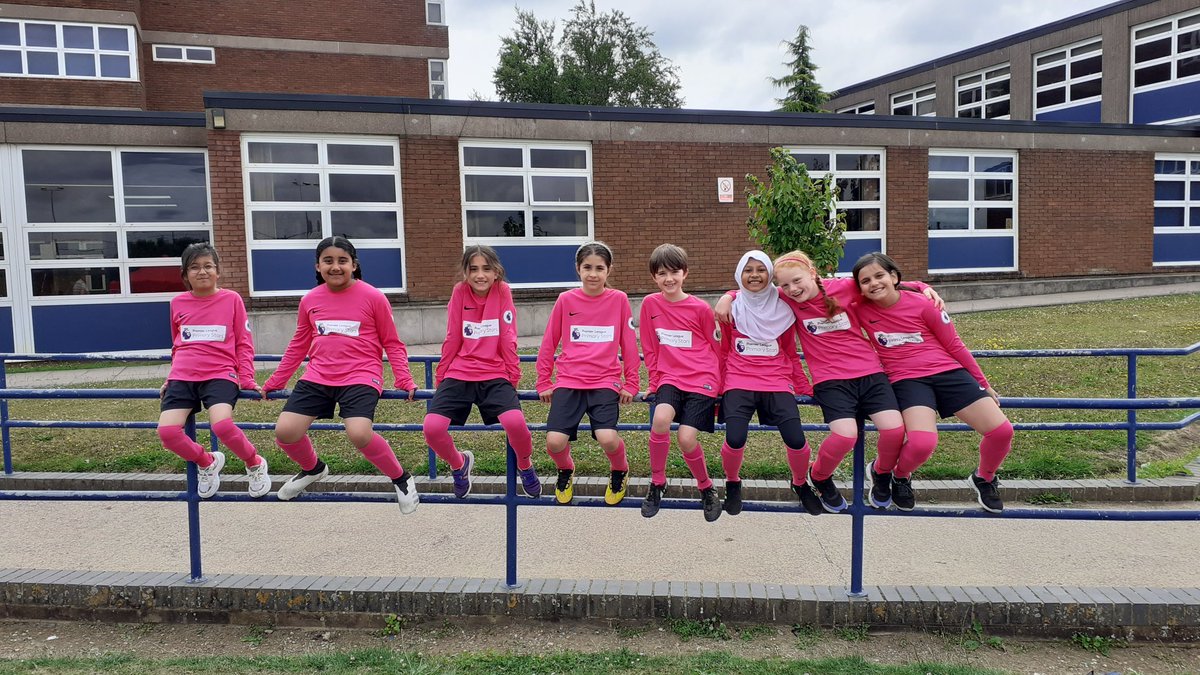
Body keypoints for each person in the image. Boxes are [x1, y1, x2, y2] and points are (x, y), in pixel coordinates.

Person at [715, 250, 940, 513]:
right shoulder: (779, 301)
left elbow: (879, 283)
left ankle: (881, 475)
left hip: (864, 373)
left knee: (892, 430)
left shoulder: (827, 291)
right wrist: (727, 296)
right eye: (785, 284)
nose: (792, 289)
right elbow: (749, 296)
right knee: (842, 435)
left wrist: (923, 287)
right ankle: (805, 477)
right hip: (820, 380)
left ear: (812, 273)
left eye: (797, 281)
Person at [262, 236, 420, 513]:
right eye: (328, 261)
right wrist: (276, 380)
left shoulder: (373, 296)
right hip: (318, 376)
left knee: (359, 433)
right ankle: (313, 469)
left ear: (354, 265)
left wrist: (404, 378)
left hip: (361, 375)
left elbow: (392, 343)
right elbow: (299, 344)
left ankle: (401, 478)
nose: (336, 267)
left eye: (342, 261)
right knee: (285, 432)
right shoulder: (310, 299)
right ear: (318, 266)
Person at [851, 252, 1013, 513]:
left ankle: (984, 477)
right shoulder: (859, 309)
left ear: (894, 277)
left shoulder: (924, 304)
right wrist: (921, 284)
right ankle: (899, 475)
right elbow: (826, 291)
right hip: (907, 380)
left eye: (880, 276)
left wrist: (982, 382)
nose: (874, 284)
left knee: (1001, 431)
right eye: (865, 280)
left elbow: (954, 345)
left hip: (948, 373)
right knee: (923, 442)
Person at [422, 245, 541, 499]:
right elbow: (453, 336)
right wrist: (442, 376)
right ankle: (459, 464)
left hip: (494, 374)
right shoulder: (459, 292)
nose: (480, 275)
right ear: (465, 272)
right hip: (460, 372)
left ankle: (525, 465)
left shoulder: (503, 291)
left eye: (486, 269)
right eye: (473, 269)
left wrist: (513, 377)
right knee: (432, 428)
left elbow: (508, 337)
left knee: (515, 422)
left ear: (496, 271)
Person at [157, 242, 268, 499]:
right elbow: (178, 344)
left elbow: (243, 342)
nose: (202, 272)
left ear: (218, 271)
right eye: (194, 267)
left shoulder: (231, 299)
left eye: (208, 266)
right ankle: (206, 462)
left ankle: (254, 463)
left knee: (223, 426)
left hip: (220, 374)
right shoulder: (178, 303)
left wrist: (247, 378)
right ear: (185, 275)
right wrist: (170, 376)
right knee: (168, 432)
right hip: (182, 377)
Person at [716, 250, 823, 517]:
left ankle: (799, 483)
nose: (754, 275)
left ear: (770, 274)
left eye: (761, 270)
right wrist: (718, 389)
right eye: (748, 270)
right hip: (739, 379)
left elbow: (789, 353)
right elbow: (723, 351)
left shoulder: (783, 307)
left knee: (796, 439)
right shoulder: (731, 308)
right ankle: (732, 482)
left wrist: (806, 387)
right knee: (735, 437)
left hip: (776, 380)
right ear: (739, 274)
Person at [536, 241, 639, 506]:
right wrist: (544, 380)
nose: (593, 274)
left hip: (605, 380)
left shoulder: (618, 300)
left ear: (609, 270)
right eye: (587, 267)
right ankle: (566, 469)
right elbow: (549, 341)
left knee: (607, 437)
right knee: (554, 442)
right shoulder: (566, 299)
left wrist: (632, 382)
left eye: (599, 268)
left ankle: (619, 470)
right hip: (569, 380)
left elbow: (628, 344)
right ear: (578, 269)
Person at [638, 244, 723, 522]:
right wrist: (654, 380)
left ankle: (706, 487)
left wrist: (719, 386)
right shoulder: (650, 304)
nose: (669, 279)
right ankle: (658, 483)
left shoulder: (700, 308)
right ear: (654, 277)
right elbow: (650, 346)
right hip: (670, 378)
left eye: (674, 272)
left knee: (686, 438)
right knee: (660, 419)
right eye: (662, 273)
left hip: (702, 378)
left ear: (685, 273)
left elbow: (717, 347)